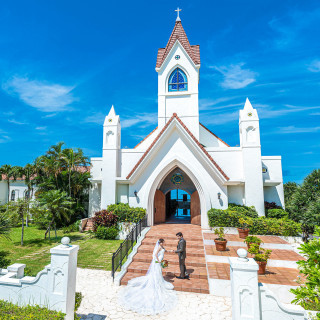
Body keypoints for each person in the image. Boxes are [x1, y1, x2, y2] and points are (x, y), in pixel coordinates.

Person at [118, 238, 177, 315]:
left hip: (160, 261)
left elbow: (165, 251)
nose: (164, 243)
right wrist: (159, 261)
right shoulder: (159, 247)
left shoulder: (162, 247)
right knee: (156, 272)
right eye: (163, 242)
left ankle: (158, 282)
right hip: (157, 261)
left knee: (158, 273)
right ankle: (155, 282)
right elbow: (155, 254)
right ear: (161, 242)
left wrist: (170, 251)